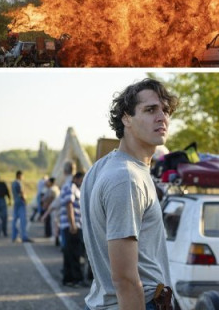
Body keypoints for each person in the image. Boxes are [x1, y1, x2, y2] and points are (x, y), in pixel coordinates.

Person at [82, 78, 177, 309]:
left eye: (165, 110)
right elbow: (125, 279)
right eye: (150, 109)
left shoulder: (102, 167)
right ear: (126, 118)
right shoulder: (126, 179)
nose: (161, 117)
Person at [60, 171, 86, 287]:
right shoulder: (71, 187)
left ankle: (68, 278)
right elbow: (69, 205)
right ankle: (76, 279)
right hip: (72, 226)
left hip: (71, 225)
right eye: (82, 180)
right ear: (76, 178)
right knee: (75, 253)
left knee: (69, 253)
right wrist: (73, 224)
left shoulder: (72, 187)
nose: (82, 182)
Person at [11, 170, 32, 243]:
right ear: (19, 175)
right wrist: (25, 199)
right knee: (23, 220)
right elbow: (22, 193)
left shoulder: (13, 183)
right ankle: (24, 236)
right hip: (20, 202)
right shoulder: (19, 183)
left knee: (15, 220)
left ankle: (14, 236)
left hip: (15, 202)